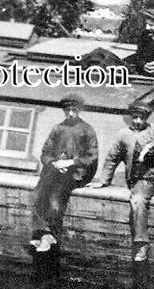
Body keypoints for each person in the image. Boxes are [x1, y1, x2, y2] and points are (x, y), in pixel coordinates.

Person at [87, 103, 154, 263]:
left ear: (147, 119)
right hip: (143, 179)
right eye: (135, 118)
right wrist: (103, 180)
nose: (138, 121)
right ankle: (141, 243)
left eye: (142, 118)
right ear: (130, 118)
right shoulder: (123, 134)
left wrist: (149, 146)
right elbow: (112, 157)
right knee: (138, 200)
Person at [29, 93, 99, 253]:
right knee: (38, 193)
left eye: (74, 110)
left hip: (77, 173)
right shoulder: (58, 128)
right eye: (68, 110)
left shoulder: (87, 130)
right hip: (56, 169)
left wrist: (71, 162)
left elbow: (92, 156)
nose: (71, 113)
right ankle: (40, 232)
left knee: (56, 195)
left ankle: (50, 235)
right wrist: (54, 163)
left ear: (79, 110)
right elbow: (45, 153)